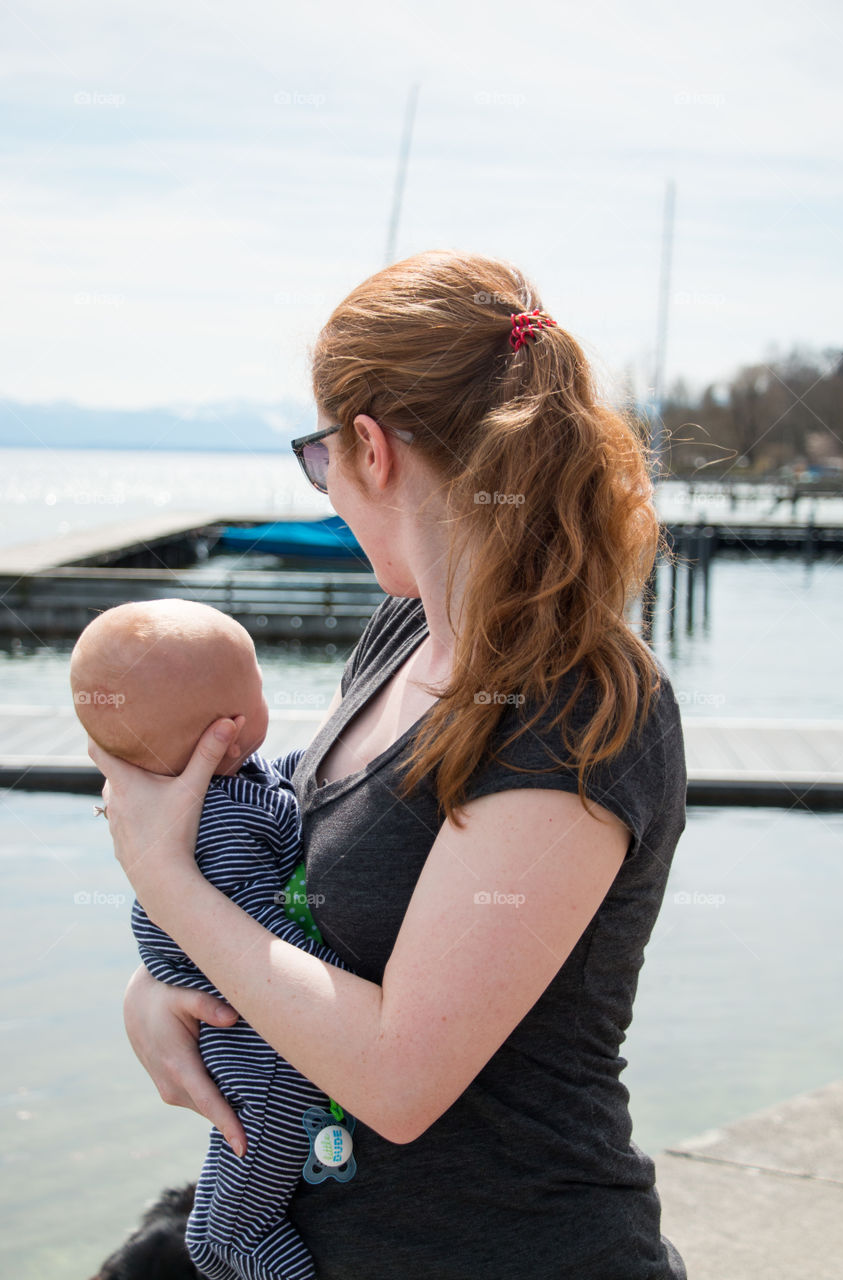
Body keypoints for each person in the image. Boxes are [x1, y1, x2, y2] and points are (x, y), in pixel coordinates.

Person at [92, 250, 689, 1280]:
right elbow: (306, 913)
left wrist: (166, 885)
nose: (326, 486)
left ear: (367, 446)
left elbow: (399, 1074)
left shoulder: (575, 703)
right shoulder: (400, 636)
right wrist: (158, 992)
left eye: (318, 457)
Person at [70, 599, 356, 1280]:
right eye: (257, 687)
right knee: (225, 1234)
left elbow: (295, 779)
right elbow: (264, 931)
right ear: (230, 730)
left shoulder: (229, 788)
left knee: (218, 1230)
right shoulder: (218, 827)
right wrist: (347, 985)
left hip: (266, 1057)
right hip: (275, 1062)